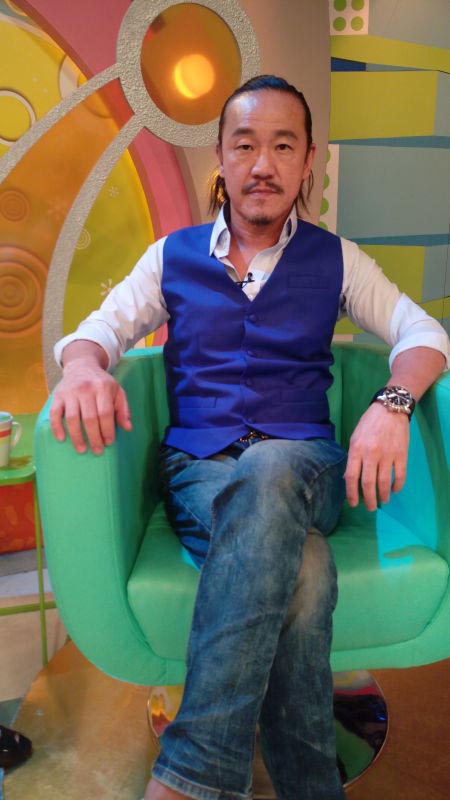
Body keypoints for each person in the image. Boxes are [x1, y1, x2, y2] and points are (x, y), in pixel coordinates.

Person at [50, 76, 449, 800]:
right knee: (306, 572)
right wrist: (82, 368)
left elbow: (423, 333)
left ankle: (195, 773)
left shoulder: (337, 259)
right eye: (245, 145)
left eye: (283, 146)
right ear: (222, 157)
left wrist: (392, 405)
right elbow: (99, 331)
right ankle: (311, 786)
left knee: (269, 467)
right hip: (200, 469)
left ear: (307, 161)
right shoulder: (171, 257)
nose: (263, 164)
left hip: (306, 467)